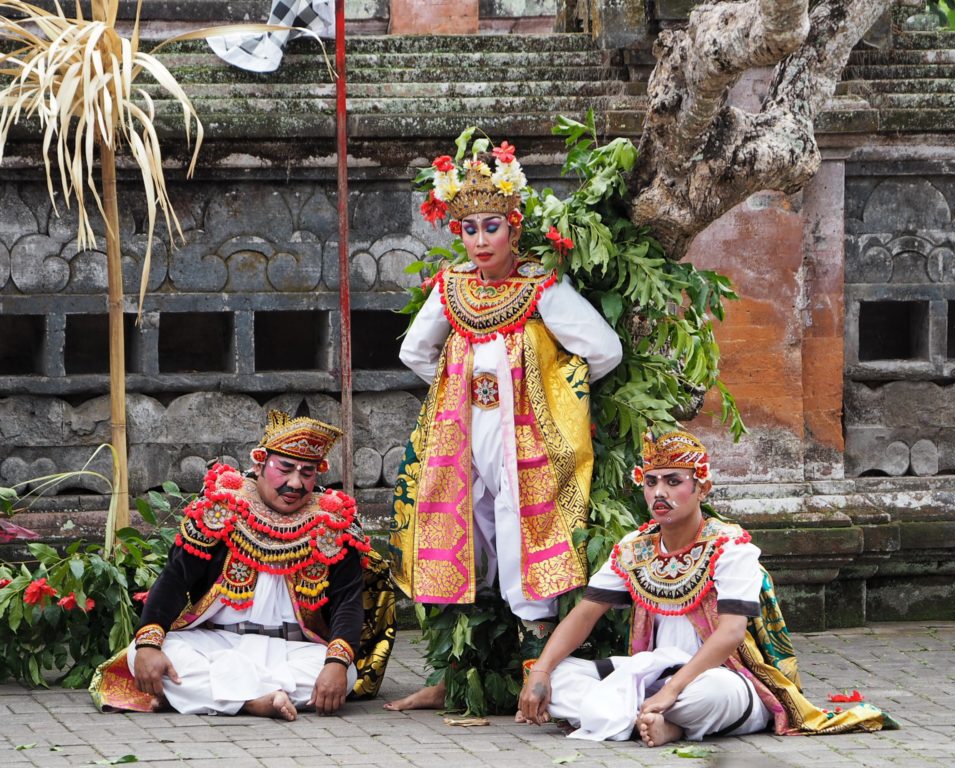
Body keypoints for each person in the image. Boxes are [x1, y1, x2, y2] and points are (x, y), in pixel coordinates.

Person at [385, 141, 623, 710]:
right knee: (470, 538)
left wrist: (555, 388)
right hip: (466, 435)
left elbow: (603, 349)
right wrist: (456, 388)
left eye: (493, 226)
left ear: (514, 230)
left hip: (526, 439)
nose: (481, 240)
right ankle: (461, 675)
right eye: (470, 229)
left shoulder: (542, 287)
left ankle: (536, 674)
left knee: (522, 539)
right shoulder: (452, 287)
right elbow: (418, 352)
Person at [518, 428, 893, 745]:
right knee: (561, 677)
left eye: (673, 481)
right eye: (651, 482)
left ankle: (662, 723)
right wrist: (540, 673)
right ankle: (646, 720)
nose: (659, 493)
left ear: (703, 488)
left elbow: (730, 634)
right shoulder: (634, 548)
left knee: (714, 695)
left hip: (721, 676)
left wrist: (672, 691)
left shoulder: (730, 547)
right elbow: (585, 615)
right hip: (653, 674)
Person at [90, 409, 394, 719]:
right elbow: (174, 579)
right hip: (216, 642)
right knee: (149, 655)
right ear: (260, 463)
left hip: (292, 650)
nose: (295, 483)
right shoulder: (221, 507)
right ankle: (255, 702)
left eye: (307, 472)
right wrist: (149, 645)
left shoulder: (332, 524)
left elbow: (347, 602)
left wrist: (335, 665)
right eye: (285, 468)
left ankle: (213, 696)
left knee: (345, 675)